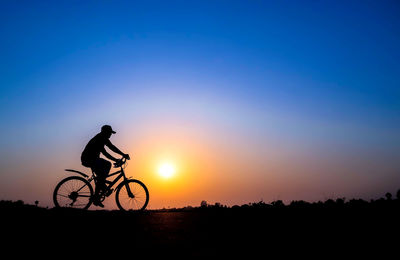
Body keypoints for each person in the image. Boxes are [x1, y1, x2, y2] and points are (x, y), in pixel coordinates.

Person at [81, 125, 130, 207]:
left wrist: (122, 154)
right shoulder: (100, 138)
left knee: (101, 177)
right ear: (105, 132)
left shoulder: (102, 138)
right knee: (107, 165)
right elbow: (106, 153)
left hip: (91, 159)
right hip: (89, 159)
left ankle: (99, 193)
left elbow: (112, 147)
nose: (110, 135)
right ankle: (100, 191)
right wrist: (117, 159)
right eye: (110, 133)